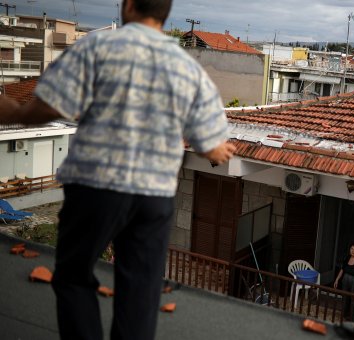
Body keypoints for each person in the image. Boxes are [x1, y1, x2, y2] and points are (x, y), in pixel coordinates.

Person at [0, 0, 235, 339]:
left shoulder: (96, 46)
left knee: (74, 275)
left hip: (96, 186)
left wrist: (13, 112)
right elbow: (209, 143)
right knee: (140, 289)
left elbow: (50, 106)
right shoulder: (188, 67)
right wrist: (219, 149)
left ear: (128, 6)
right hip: (153, 196)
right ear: (165, 14)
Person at [333, 242, 354, 321]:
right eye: (351, 248)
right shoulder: (347, 257)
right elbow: (342, 269)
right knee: (345, 297)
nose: (353, 251)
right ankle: (345, 316)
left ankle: (353, 319)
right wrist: (337, 279)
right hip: (345, 279)